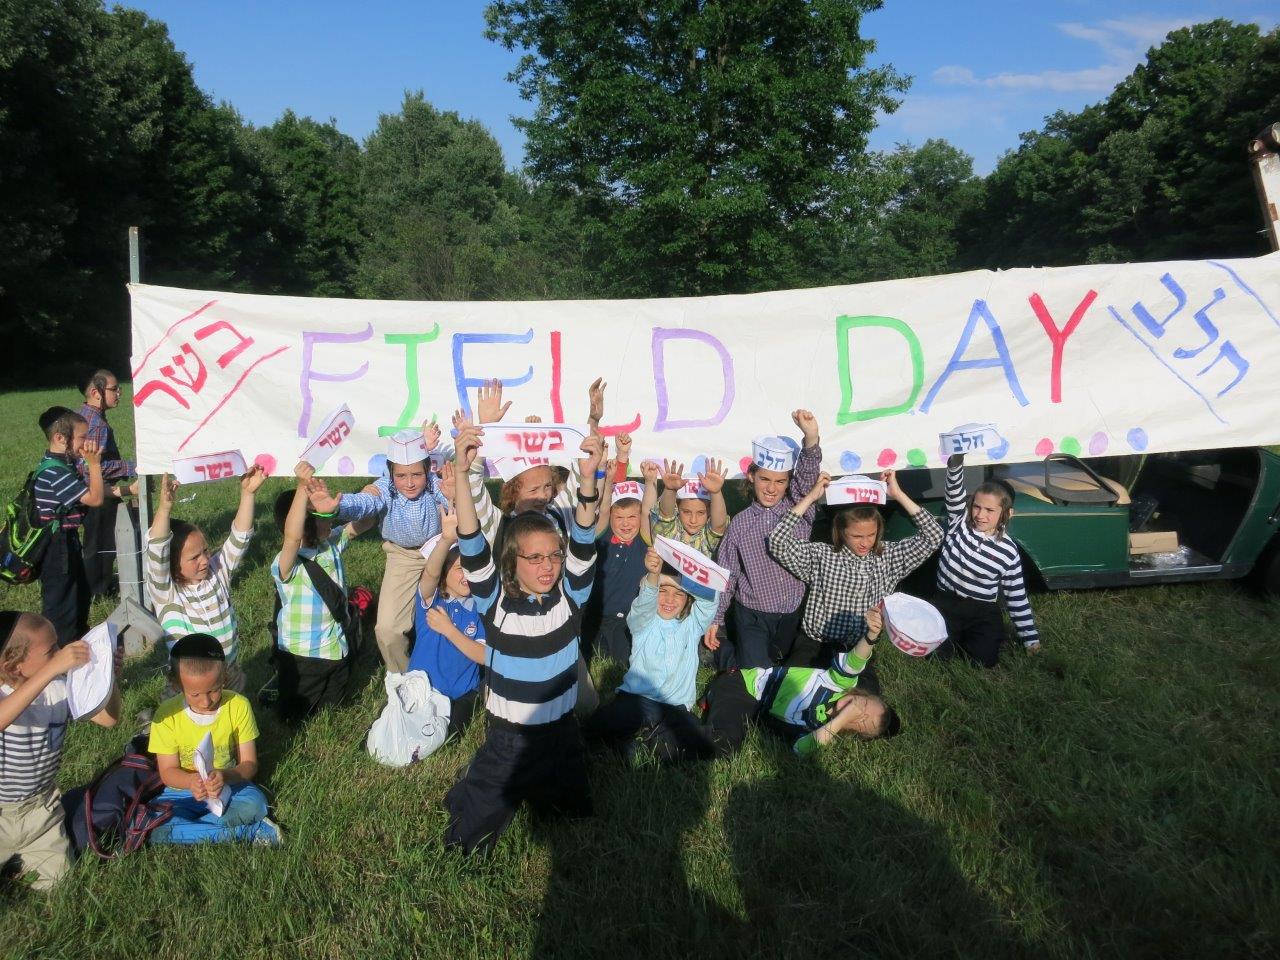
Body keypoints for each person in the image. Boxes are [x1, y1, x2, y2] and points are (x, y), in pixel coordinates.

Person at [429, 417, 603, 855]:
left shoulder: (571, 596)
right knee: (480, 817)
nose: (547, 566)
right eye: (535, 558)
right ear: (513, 559)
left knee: (573, 807)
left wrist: (586, 481)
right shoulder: (496, 603)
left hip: (561, 731)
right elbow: (470, 538)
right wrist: (466, 474)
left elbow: (583, 537)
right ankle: (462, 829)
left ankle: (556, 799)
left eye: (553, 557)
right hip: (509, 737)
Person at [309, 422, 450, 673]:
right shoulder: (384, 488)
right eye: (401, 476)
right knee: (387, 629)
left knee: (451, 615)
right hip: (402, 555)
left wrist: (454, 493)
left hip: (442, 553)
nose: (409, 483)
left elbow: (455, 500)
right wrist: (338, 508)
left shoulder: (434, 484)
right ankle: (403, 676)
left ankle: (448, 669)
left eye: (416, 474)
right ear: (390, 472)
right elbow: (366, 501)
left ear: (427, 470)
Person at [768, 471, 943, 670]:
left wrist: (898, 494)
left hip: (859, 647)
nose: (865, 542)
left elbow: (934, 535)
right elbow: (777, 541)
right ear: (841, 532)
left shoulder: (888, 556)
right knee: (791, 692)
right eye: (857, 536)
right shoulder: (821, 555)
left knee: (863, 698)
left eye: (871, 534)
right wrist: (811, 498)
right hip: (816, 643)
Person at [0, 611, 121, 889]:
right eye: (51, 650)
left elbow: (108, 720)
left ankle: (21, 859)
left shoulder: (58, 688)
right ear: (15, 666)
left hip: (41, 811)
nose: (61, 652)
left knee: (59, 883)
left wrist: (109, 679)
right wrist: (52, 669)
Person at [704, 412, 821, 669]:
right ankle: (727, 655)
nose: (771, 488)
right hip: (753, 614)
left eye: (780, 481)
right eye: (765, 479)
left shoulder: (800, 511)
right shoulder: (740, 524)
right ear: (751, 477)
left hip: (792, 611)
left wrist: (811, 438)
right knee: (754, 674)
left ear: (788, 482)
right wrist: (717, 619)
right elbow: (728, 574)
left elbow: (807, 477)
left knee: (785, 666)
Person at [703, 607, 900, 757]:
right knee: (724, 743)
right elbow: (856, 661)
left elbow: (800, 749)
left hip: (753, 706)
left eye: (864, 720)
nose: (857, 710)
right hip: (744, 684)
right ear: (859, 693)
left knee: (728, 742)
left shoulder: (820, 730)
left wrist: (840, 721)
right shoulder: (836, 683)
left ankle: (719, 660)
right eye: (863, 703)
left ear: (858, 733)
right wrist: (872, 635)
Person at [584, 548, 718, 763]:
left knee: (700, 745)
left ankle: (644, 743)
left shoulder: (692, 625)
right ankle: (640, 741)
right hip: (637, 701)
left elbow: (709, 600)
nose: (669, 599)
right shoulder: (643, 622)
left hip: (675, 707)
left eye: (678, 594)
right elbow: (645, 601)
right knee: (597, 725)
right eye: (663, 591)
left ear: (688, 600)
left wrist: (691, 575)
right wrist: (655, 575)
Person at [147, 633, 281, 846]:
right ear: (176, 685)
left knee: (256, 804)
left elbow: (249, 764)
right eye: (195, 694)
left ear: (224, 676)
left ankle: (192, 831)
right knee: (154, 826)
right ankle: (249, 832)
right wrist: (190, 782)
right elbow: (168, 772)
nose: (206, 701)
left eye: (214, 690)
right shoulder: (166, 714)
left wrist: (225, 776)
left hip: (230, 788)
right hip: (182, 792)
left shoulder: (238, 705)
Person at [146, 466, 267, 692]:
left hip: (228, 676)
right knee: (191, 726)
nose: (204, 560)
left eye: (205, 551)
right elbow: (157, 550)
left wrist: (248, 494)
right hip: (191, 688)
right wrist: (164, 508)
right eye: (194, 557)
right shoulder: (167, 593)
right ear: (172, 564)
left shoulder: (217, 572)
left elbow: (239, 538)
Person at [269, 462, 361, 723]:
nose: (326, 518)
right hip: (303, 657)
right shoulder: (288, 562)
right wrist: (301, 489)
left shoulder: (330, 543)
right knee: (294, 718)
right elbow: (292, 535)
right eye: (317, 514)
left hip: (337, 650)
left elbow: (364, 522)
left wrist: (335, 509)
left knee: (332, 712)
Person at [933, 452, 1041, 667]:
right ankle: (950, 639)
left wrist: (1031, 639)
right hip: (945, 603)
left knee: (983, 661)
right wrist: (956, 461)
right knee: (937, 657)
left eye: (990, 510)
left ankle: (974, 641)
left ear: (1007, 514)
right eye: (977, 507)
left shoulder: (1008, 551)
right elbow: (954, 491)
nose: (980, 515)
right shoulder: (959, 523)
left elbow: (1016, 597)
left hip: (981, 611)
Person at [408, 512, 484, 740]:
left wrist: (449, 630)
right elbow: (430, 573)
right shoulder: (432, 601)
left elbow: (484, 656)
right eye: (460, 569)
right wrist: (446, 539)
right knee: (393, 732)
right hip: (421, 690)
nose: (467, 577)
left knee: (449, 738)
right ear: (444, 573)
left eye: (472, 569)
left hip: (460, 694)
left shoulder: (480, 608)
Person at [33, 407, 104, 646]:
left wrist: (127, 490)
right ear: (60, 438)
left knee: (79, 597)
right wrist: (94, 464)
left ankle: (76, 643)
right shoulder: (54, 471)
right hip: (56, 547)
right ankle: (57, 655)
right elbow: (94, 498)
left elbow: (86, 494)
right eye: (82, 438)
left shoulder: (61, 466)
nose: (86, 444)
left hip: (67, 541)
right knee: (62, 606)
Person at [582, 438, 649, 666]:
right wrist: (608, 479)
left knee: (623, 660)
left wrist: (650, 483)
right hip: (597, 616)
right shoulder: (604, 536)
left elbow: (648, 509)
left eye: (632, 517)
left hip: (628, 620)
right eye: (619, 517)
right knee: (589, 657)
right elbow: (602, 507)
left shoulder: (644, 540)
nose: (626, 523)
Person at [76, 369, 138, 598]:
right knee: (102, 543)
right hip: (100, 493)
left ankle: (93, 585)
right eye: (113, 389)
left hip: (92, 491)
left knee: (93, 542)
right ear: (96, 392)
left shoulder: (84, 414)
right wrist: (132, 467)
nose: (119, 393)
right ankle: (98, 590)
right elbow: (91, 466)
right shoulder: (98, 425)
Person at [641, 457, 729, 556]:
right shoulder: (671, 531)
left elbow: (719, 526)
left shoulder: (706, 537)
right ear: (677, 508)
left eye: (700, 513)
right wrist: (670, 490)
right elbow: (665, 514)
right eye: (686, 512)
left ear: (709, 512)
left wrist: (716, 493)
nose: (693, 520)